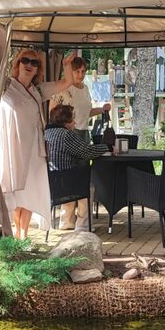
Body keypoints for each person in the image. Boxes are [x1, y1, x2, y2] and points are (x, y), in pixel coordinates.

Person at [0, 49, 76, 239]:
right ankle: (16, 232)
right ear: (18, 64)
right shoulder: (5, 86)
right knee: (16, 192)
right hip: (13, 148)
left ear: (38, 69)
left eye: (34, 63)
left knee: (31, 191)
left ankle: (23, 233)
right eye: (25, 61)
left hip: (34, 149)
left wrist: (66, 66)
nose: (29, 65)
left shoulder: (38, 90)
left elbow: (67, 82)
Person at [50, 56, 111, 228]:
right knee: (70, 174)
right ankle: (67, 220)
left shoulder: (85, 89)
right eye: (77, 71)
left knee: (82, 174)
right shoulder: (64, 88)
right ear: (70, 71)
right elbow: (52, 111)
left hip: (84, 131)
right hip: (68, 132)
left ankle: (82, 220)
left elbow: (86, 112)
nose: (80, 74)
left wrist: (102, 110)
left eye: (83, 71)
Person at [45, 104, 112, 230]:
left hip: (51, 180)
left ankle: (66, 221)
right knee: (88, 186)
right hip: (65, 181)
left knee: (71, 182)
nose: (75, 122)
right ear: (65, 121)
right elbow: (86, 152)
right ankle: (83, 225)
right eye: (72, 119)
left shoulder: (47, 133)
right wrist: (107, 147)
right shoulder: (66, 135)